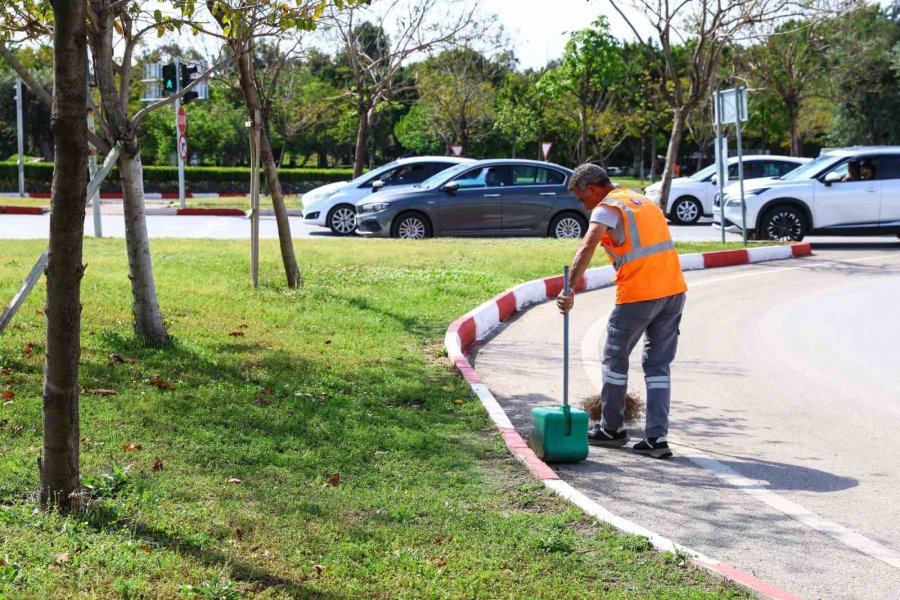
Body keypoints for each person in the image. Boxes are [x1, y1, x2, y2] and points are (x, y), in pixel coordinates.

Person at [556, 164, 688, 459]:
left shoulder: (606, 208)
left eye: (581, 198)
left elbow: (586, 246)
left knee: (614, 359)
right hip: (674, 291)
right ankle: (657, 439)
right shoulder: (642, 201)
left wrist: (570, 288)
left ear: (593, 189)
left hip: (639, 294)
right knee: (658, 367)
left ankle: (612, 428)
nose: (583, 204)